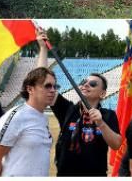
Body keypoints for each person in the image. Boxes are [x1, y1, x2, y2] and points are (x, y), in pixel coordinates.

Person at [35, 32, 121, 177]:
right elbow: (41, 82)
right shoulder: (68, 109)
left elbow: (116, 144)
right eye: (83, 82)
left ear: (102, 94)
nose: (86, 85)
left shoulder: (108, 115)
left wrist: (100, 123)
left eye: (93, 84)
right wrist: (43, 49)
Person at [0, 68, 55, 177]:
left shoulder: (43, 117)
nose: (53, 90)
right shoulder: (17, 116)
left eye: (55, 86)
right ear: (30, 89)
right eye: (47, 86)